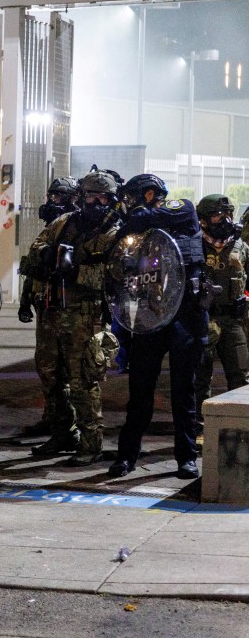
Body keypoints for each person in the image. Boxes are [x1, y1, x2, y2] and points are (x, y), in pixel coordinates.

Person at [109, 177, 208, 480]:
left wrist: (139, 215)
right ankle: (126, 456)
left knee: (184, 392)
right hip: (150, 316)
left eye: (132, 198)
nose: (128, 205)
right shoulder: (138, 230)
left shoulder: (181, 208)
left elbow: (147, 217)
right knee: (140, 392)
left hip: (185, 316)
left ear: (149, 194)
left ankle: (186, 458)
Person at [26, 170, 122, 464]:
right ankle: (62, 433)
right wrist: (47, 254)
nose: (96, 203)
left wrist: (75, 271)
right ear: (81, 197)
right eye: (91, 196)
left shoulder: (115, 234)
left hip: (85, 317)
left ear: (111, 200)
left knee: (83, 382)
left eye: (103, 198)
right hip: (51, 311)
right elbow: (36, 247)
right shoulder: (64, 222)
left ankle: (91, 444)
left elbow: (114, 277)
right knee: (50, 376)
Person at [17, 177, 79, 439]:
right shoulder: (52, 229)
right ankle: (52, 417)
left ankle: (69, 426)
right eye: (51, 196)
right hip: (46, 307)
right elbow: (33, 269)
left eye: (58, 196)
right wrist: (25, 301)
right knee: (47, 367)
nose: (53, 201)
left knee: (68, 372)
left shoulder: (77, 228)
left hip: (68, 310)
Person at [194, 194, 249, 425]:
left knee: (240, 376)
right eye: (218, 215)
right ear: (204, 220)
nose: (225, 219)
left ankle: (237, 427)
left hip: (232, 320)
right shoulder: (195, 246)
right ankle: (199, 427)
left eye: (228, 214)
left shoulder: (241, 246)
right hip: (203, 320)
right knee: (199, 378)